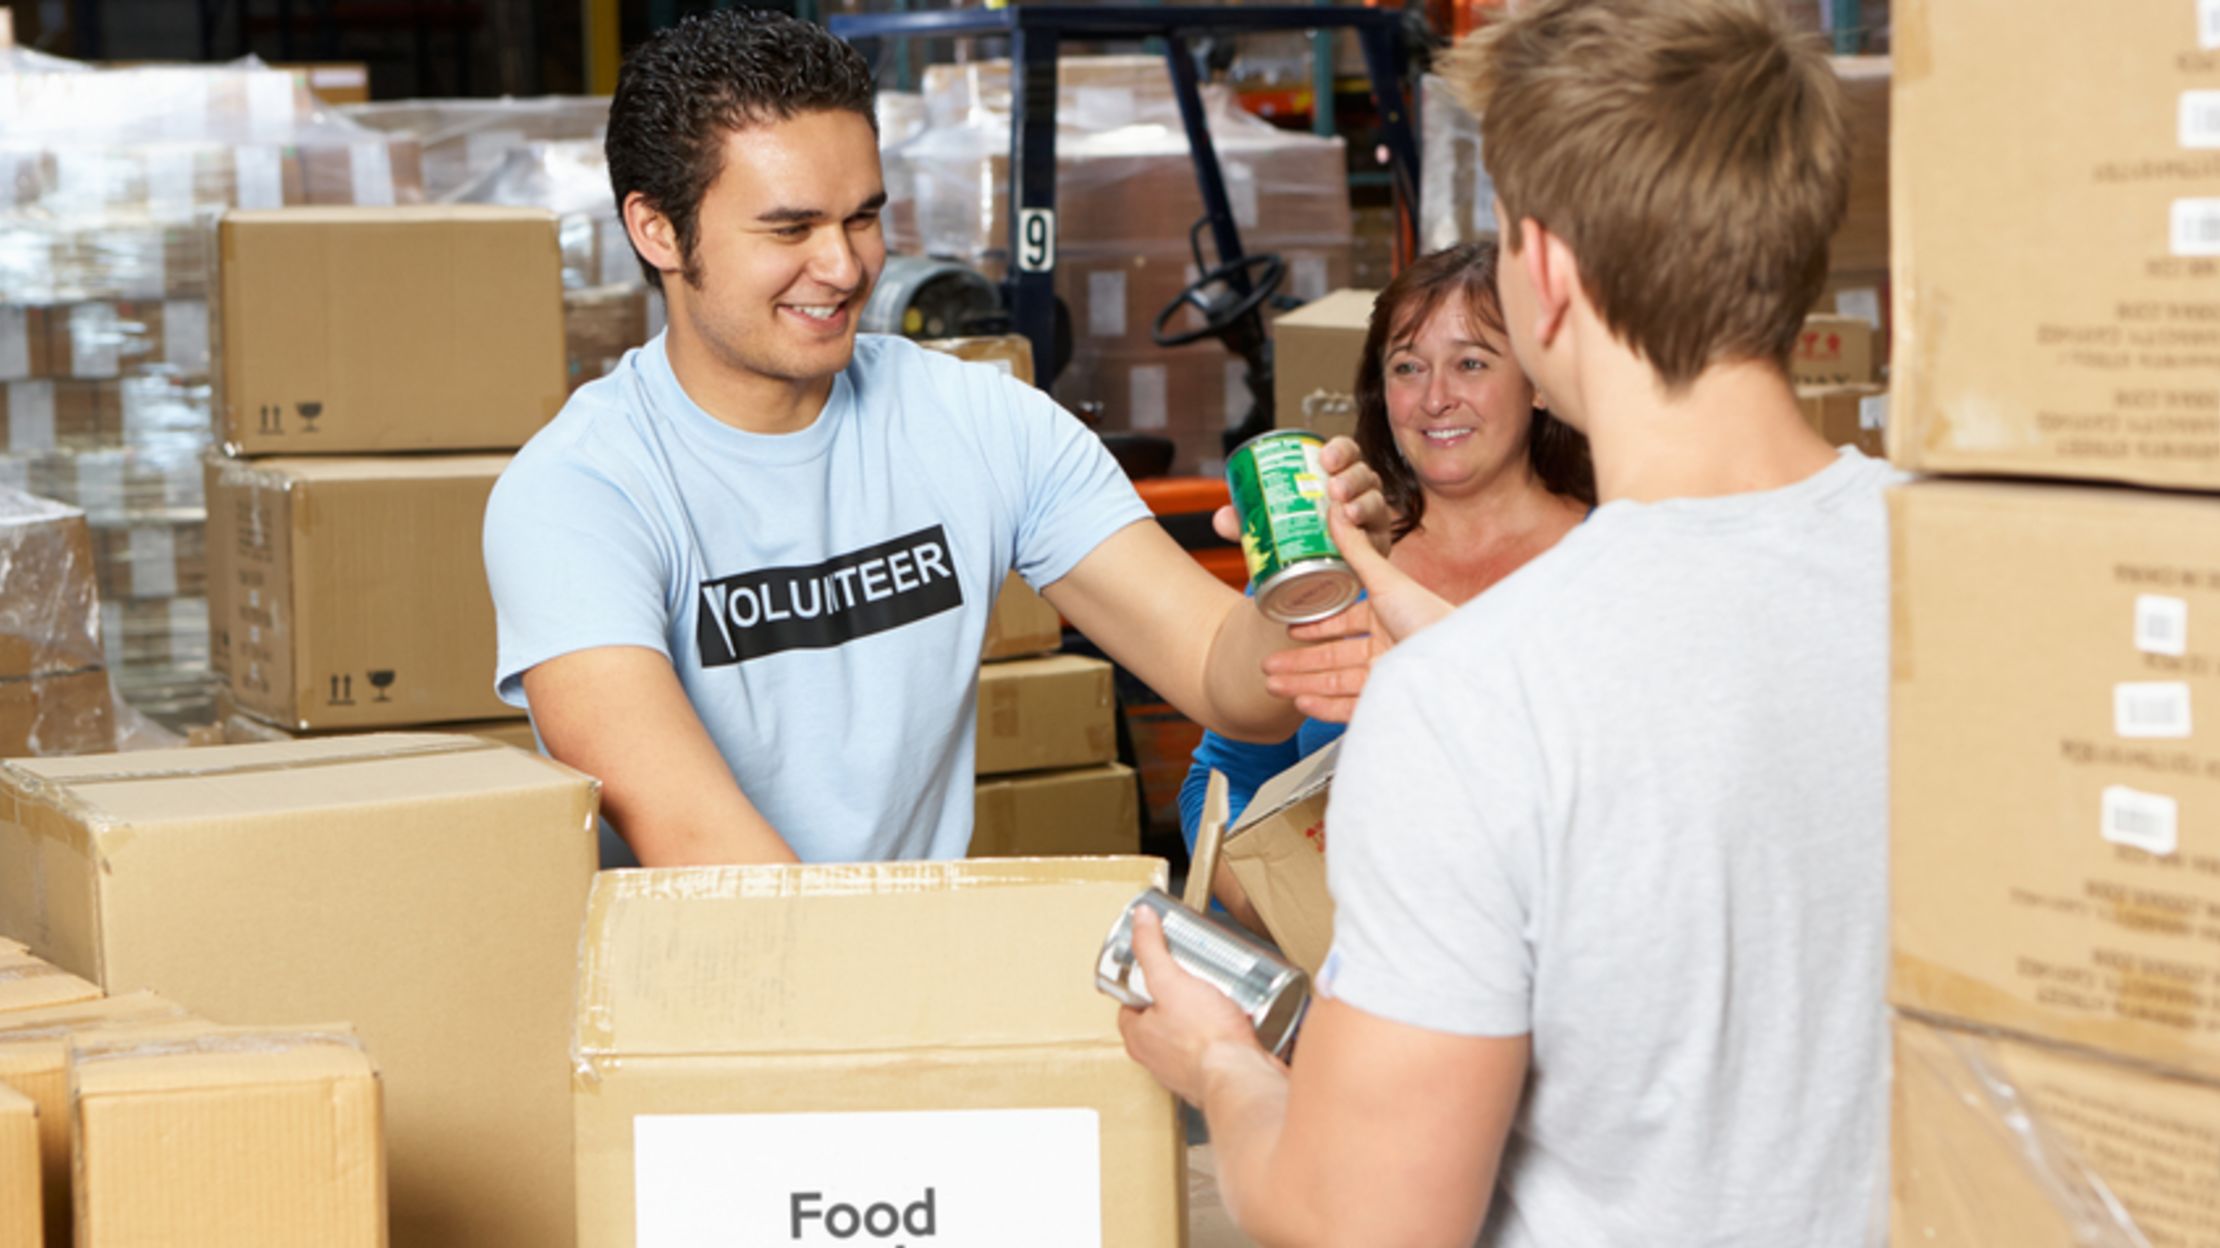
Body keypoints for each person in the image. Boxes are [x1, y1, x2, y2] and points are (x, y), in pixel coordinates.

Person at [1118, 1, 1902, 1243]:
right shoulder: (1964, 567)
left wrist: (1220, 1061)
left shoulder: (1469, 705)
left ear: (1546, 272)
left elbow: (1364, 1222)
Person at [481, 11, 1389, 868]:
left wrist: (1309, 588)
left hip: (910, 951)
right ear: (657, 231)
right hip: (712, 968)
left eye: (862, 218)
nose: (844, 267)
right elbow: (694, 842)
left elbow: (1228, 683)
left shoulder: (979, 422)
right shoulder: (579, 492)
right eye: (790, 228)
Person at [1175, 241, 1592, 924]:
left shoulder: (1608, 561)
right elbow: (1221, 781)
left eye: (1471, 363)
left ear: (1540, 381)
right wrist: (1285, 918)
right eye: (1407, 367)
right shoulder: (1328, 562)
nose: (1435, 398)